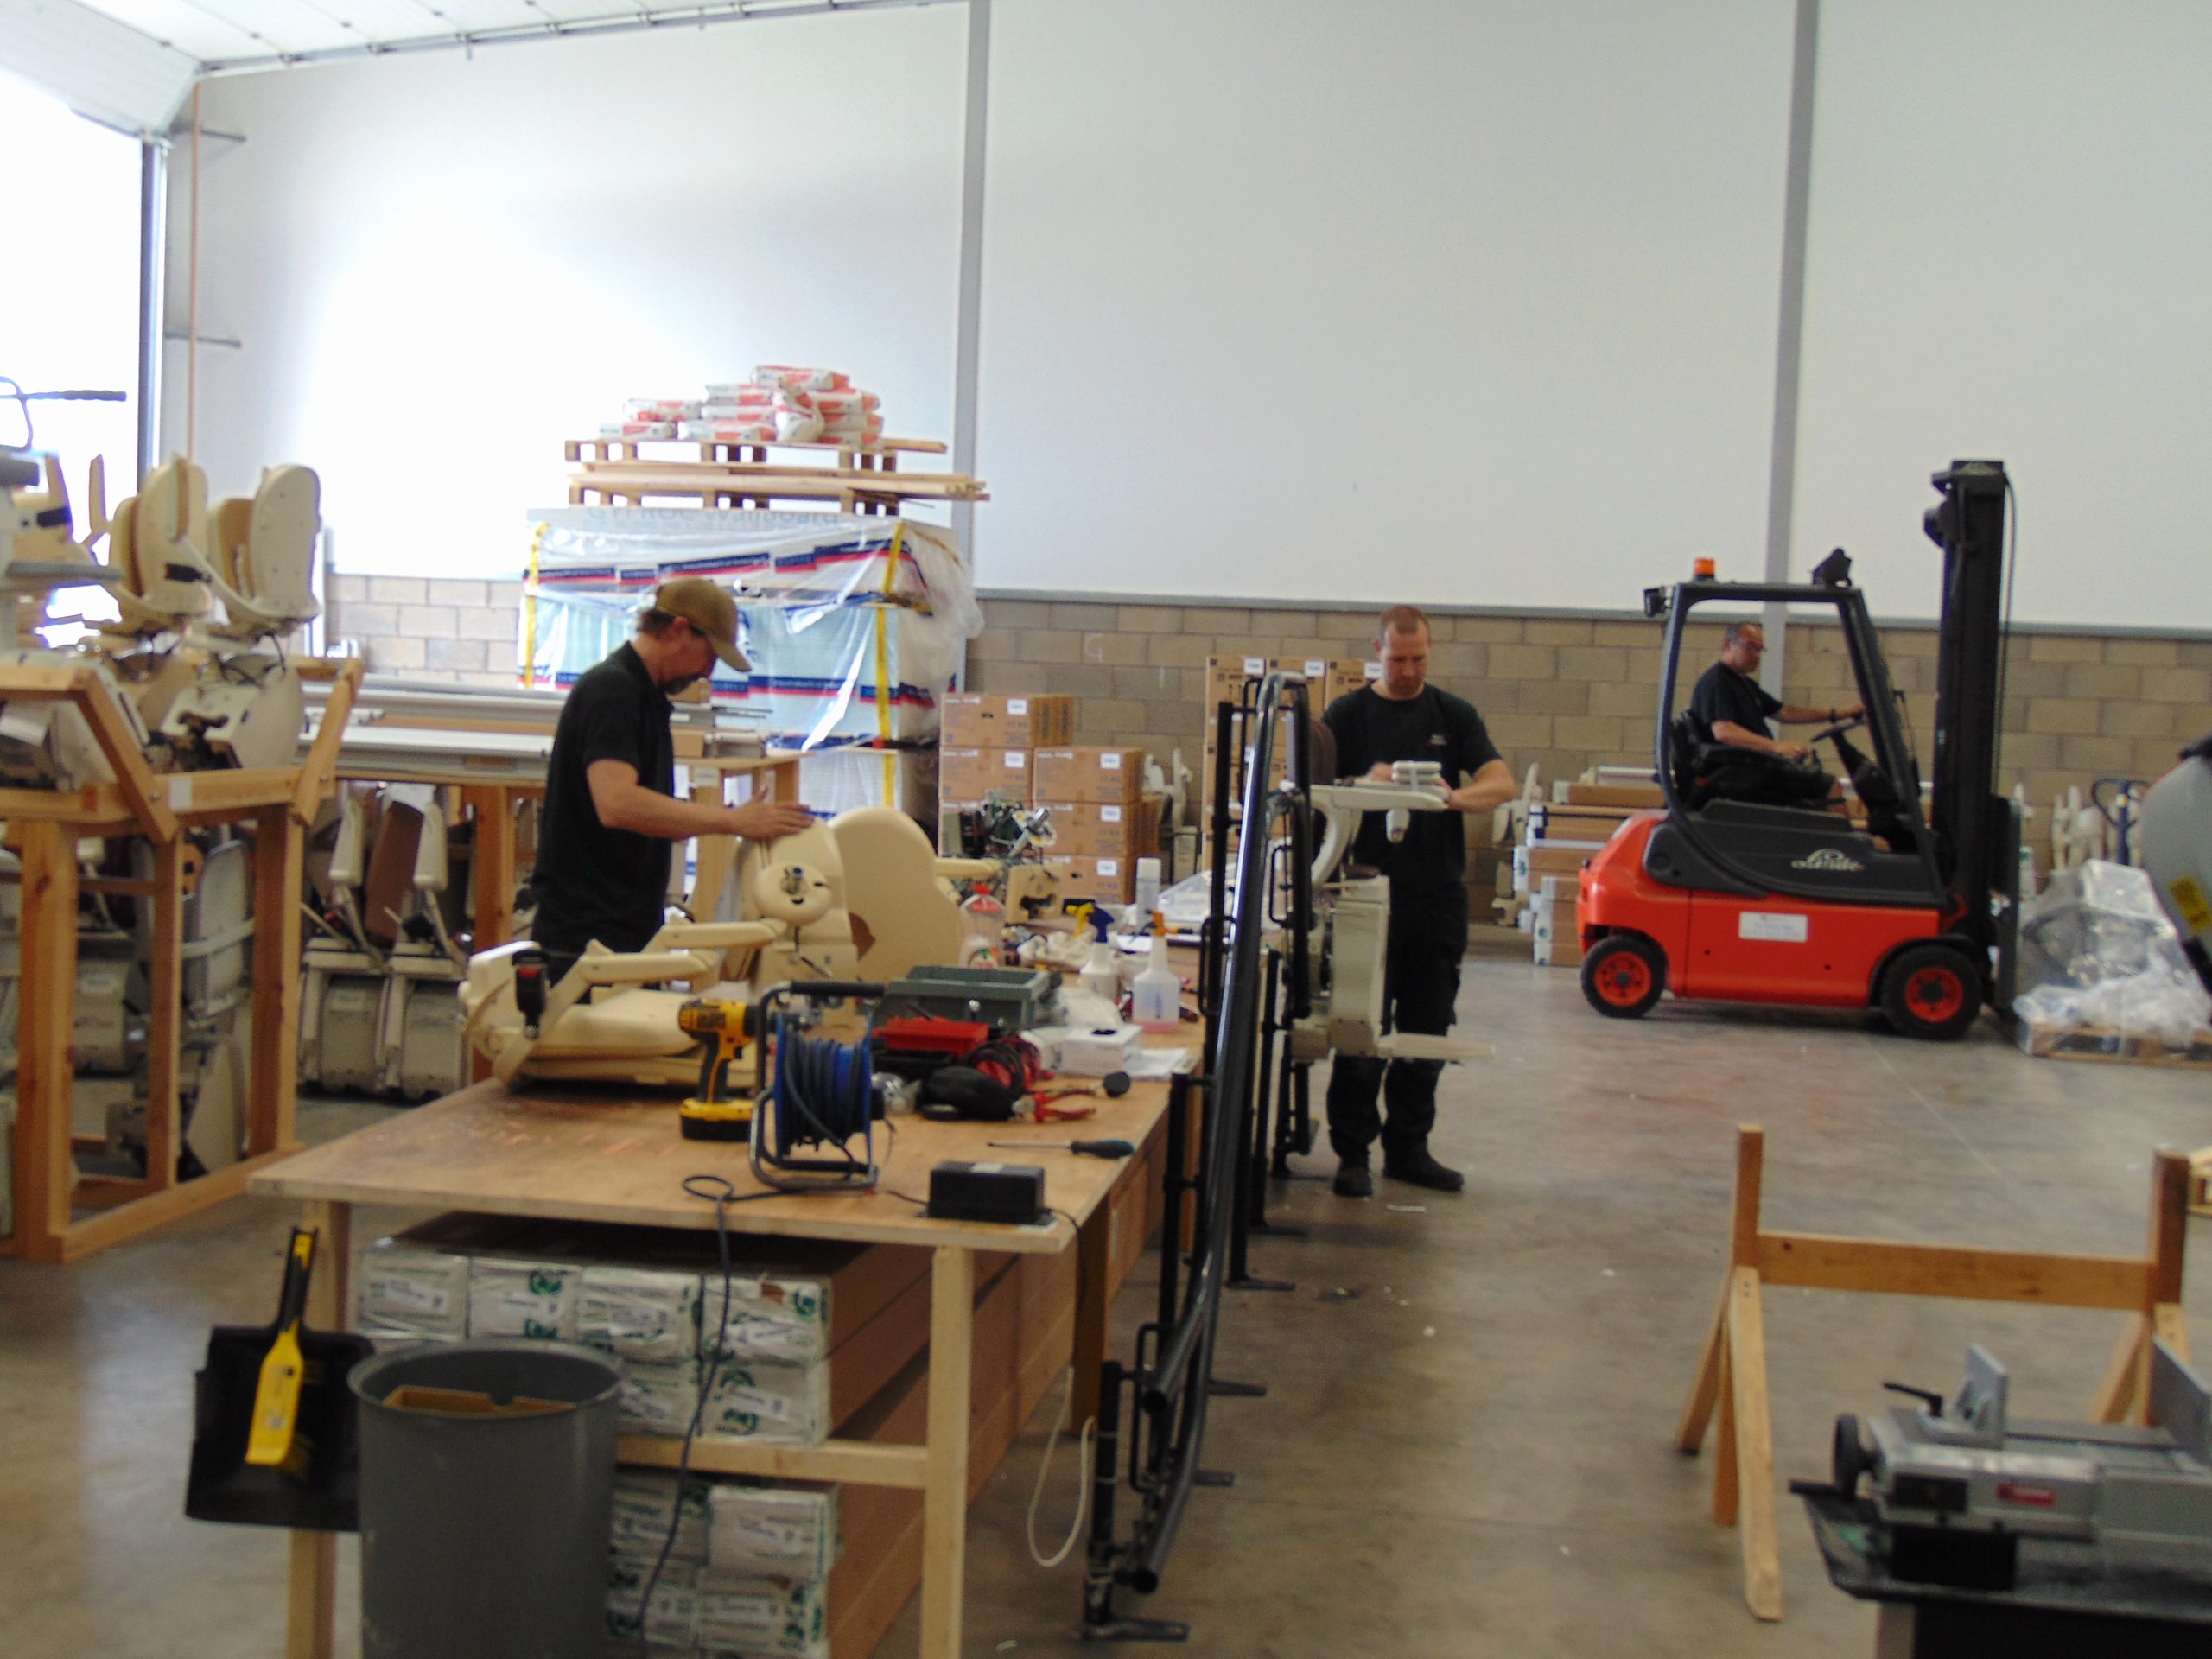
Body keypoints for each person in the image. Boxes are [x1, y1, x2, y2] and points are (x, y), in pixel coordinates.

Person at [1319, 606, 1516, 1198]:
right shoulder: (1347, 715)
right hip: (1364, 896)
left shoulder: (1453, 716)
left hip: (1436, 899)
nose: (1408, 670)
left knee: (1426, 1028)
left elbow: (1500, 783)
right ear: (1376, 651)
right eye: (1398, 659)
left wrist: (1451, 798)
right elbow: (1312, 793)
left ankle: (1409, 1149)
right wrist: (1365, 785)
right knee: (1360, 1030)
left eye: (1419, 659)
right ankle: (1353, 1153)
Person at [531, 577, 814, 977]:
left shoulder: (644, 697)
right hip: (585, 939)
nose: (707, 672)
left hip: (620, 929)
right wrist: (731, 820)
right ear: (679, 630)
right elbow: (617, 804)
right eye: (709, 655)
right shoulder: (613, 692)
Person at [1687, 622, 1861, 807]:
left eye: (1760, 649)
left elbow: (1785, 712)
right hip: (1740, 773)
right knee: (1829, 785)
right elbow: (1724, 731)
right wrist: (1775, 747)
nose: (1756, 655)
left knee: (1816, 779)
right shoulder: (1717, 682)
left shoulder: (1742, 683)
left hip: (1752, 767)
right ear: (1728, 645)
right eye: (1750, 647)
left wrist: (1837, 714)